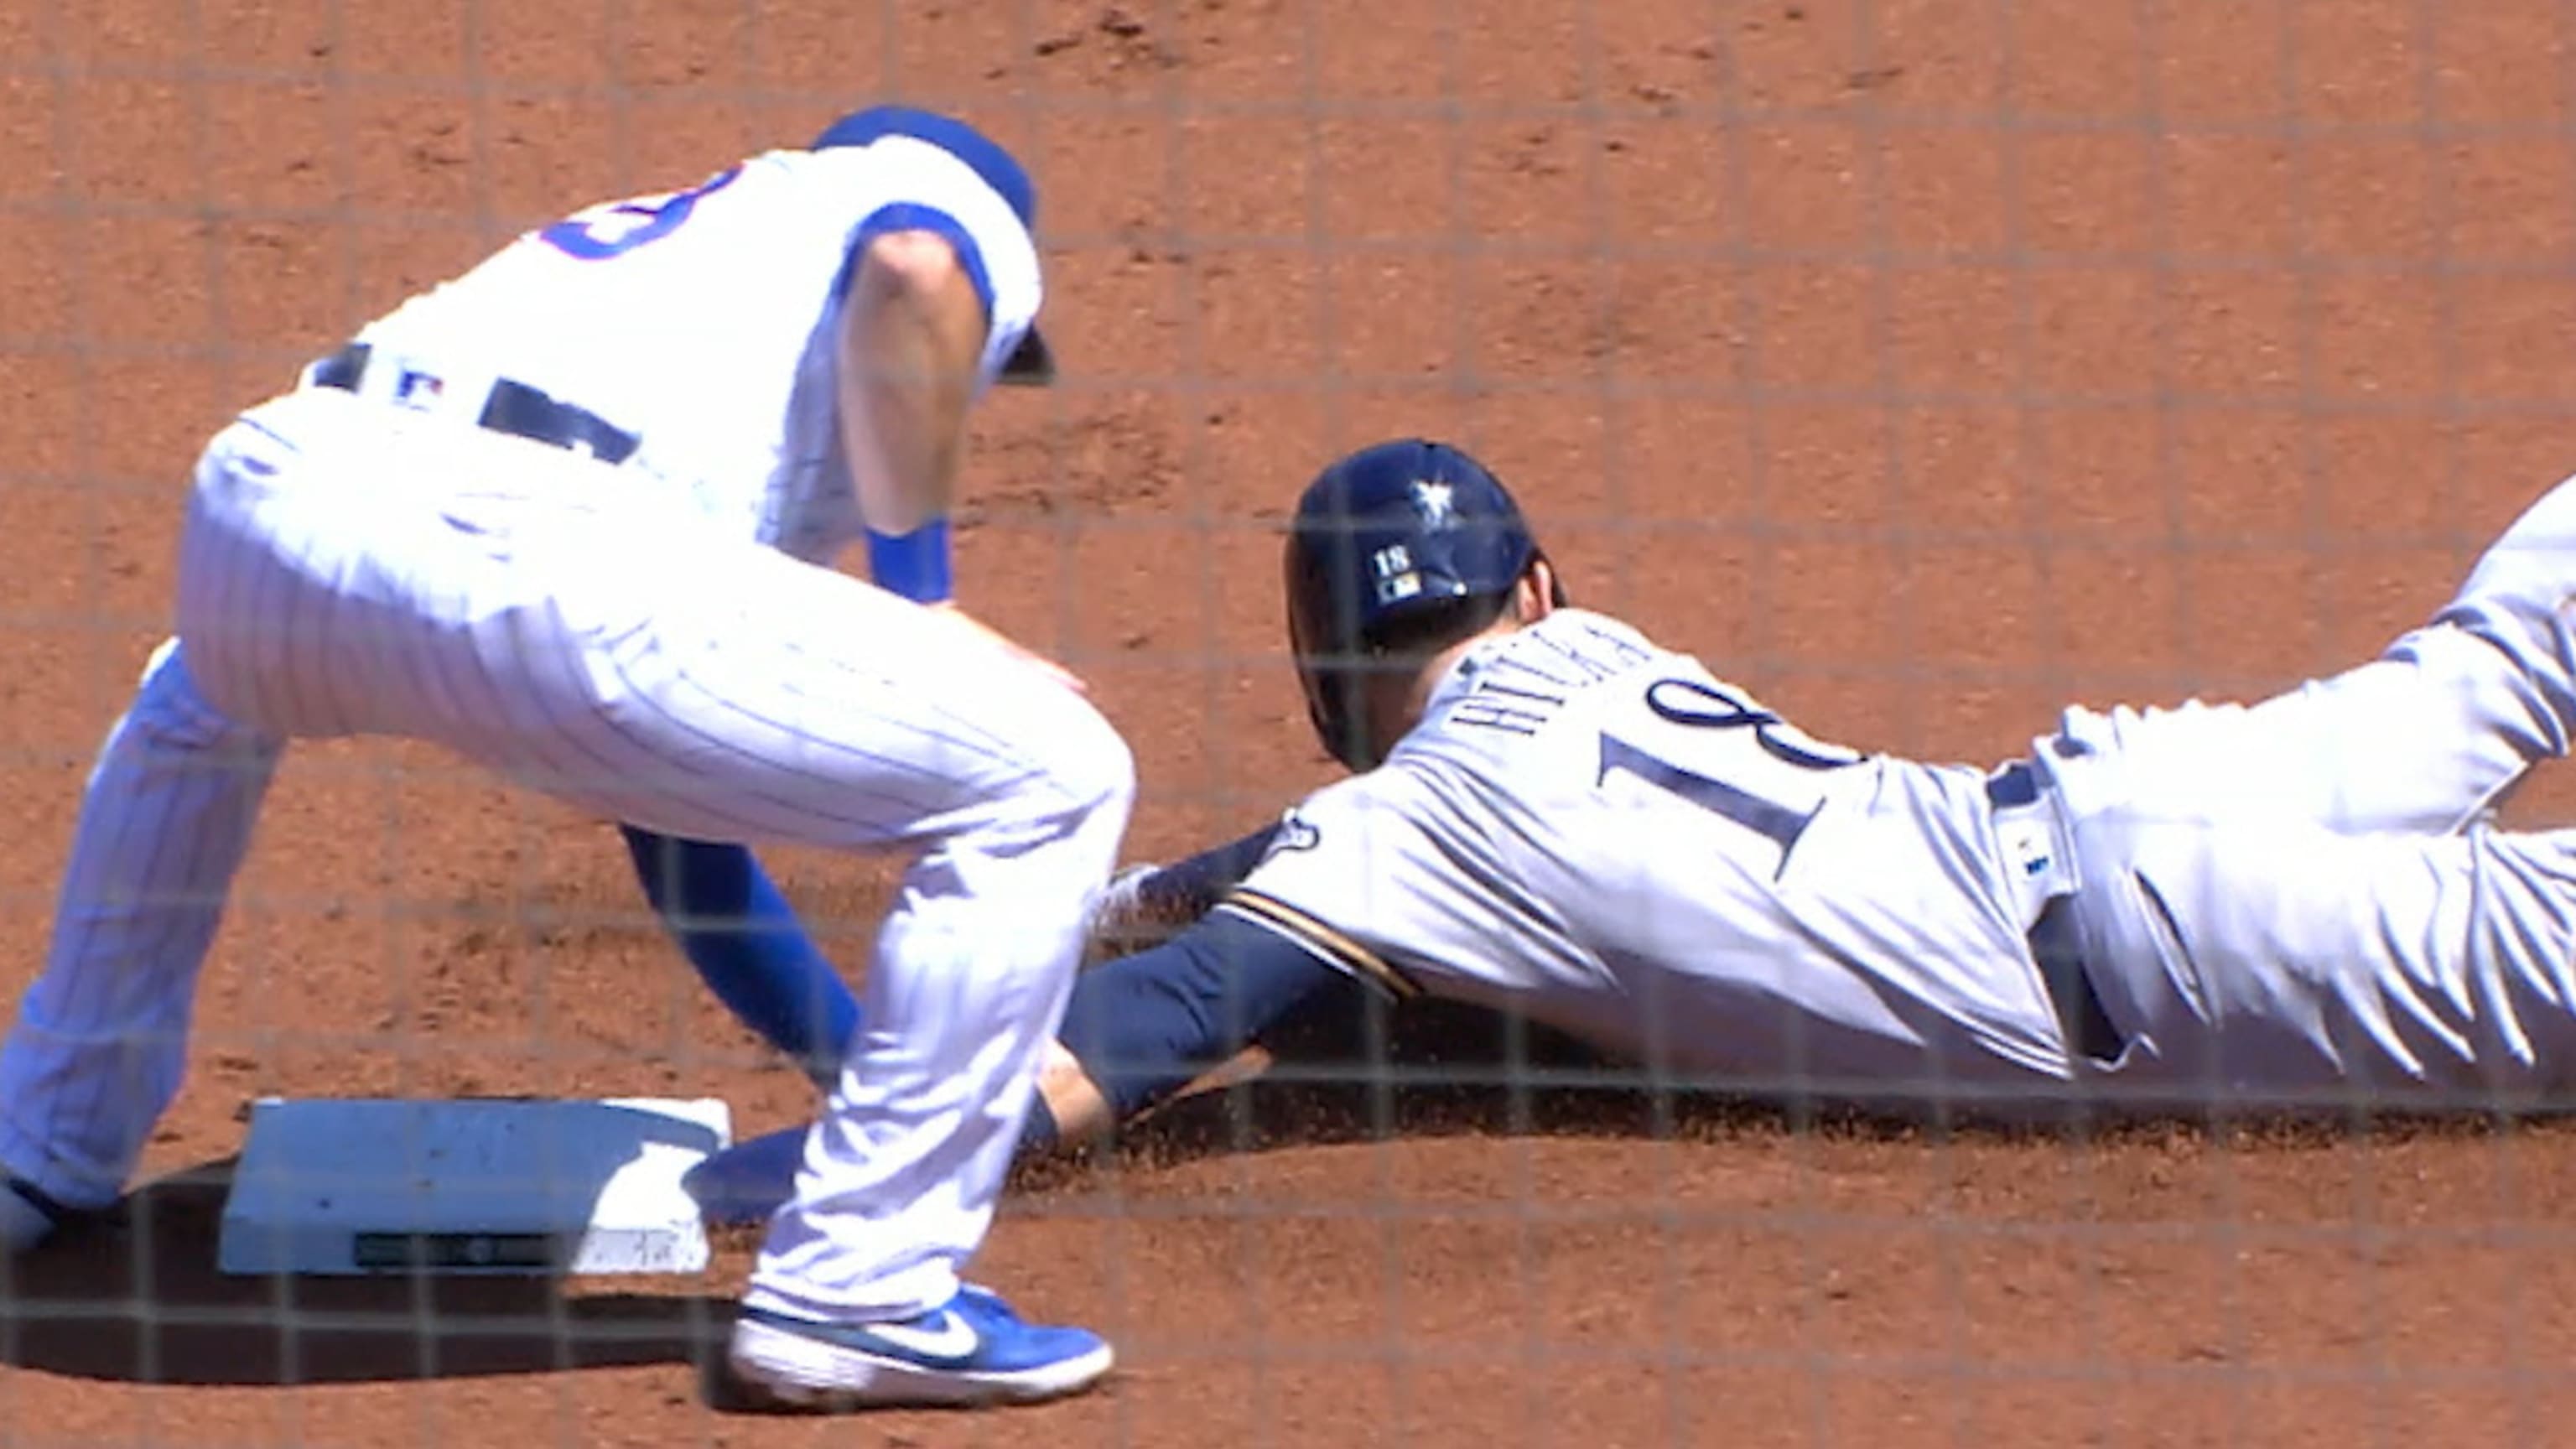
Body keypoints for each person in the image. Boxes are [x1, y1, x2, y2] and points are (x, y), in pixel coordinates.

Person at [0, 104, 1136, 1410]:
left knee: (195, 698)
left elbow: (682, 829)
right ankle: (864, 1293)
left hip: (269, 504)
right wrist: (923, 599)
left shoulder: (680, 292)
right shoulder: (914, 207)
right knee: (1060, 772)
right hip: (526, 543)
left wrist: (860, 1075)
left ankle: (41, 1148)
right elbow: (918, 269)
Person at [1024, 435, 2576, 1138]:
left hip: (2177, 954)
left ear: (1325, 683)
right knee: (2495, 655)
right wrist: (1148, 901)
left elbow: (1148, 1036)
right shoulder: (1602, 655)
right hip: (2142, 773)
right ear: (1540, 591)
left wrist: (816, 1177)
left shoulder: (1394, 843)